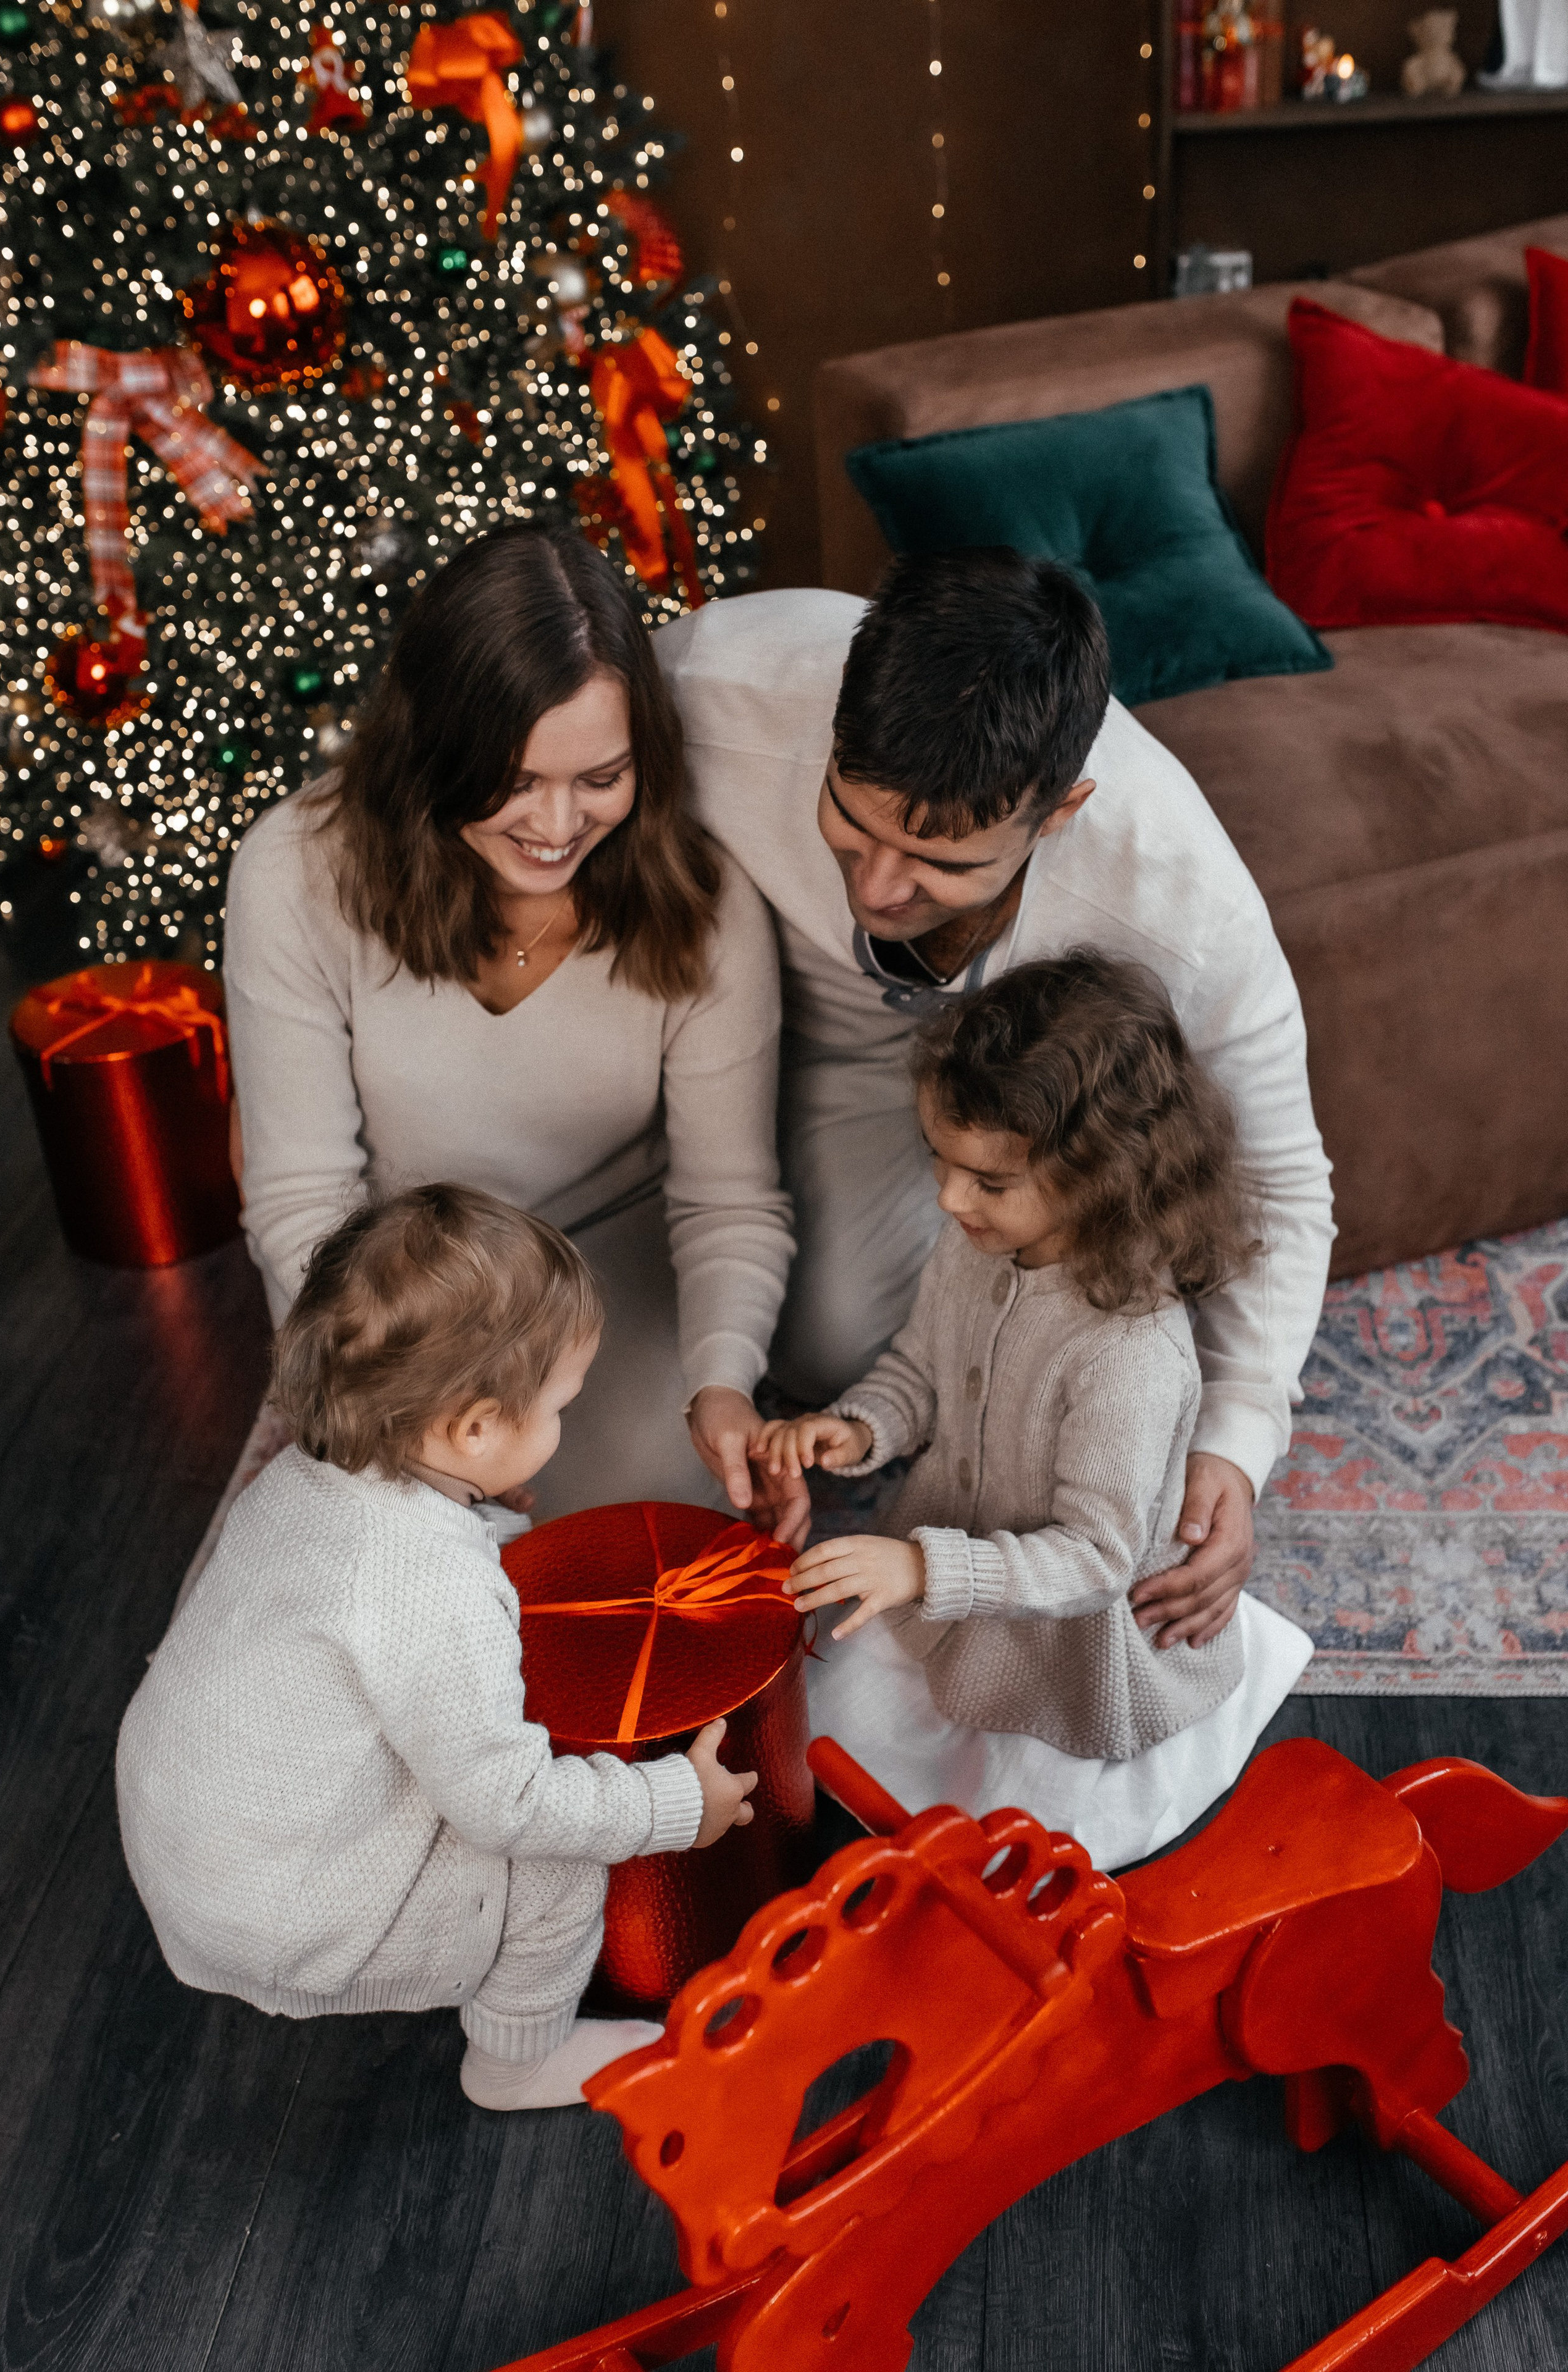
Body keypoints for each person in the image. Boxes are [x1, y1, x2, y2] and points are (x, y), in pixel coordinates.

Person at [654, 549, 1335, 1642]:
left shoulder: (1182, 900)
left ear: (1061, 810)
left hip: (1023, 1108)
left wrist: (1236, 1439)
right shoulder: (709, 680)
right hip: (800, 1045)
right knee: (821, 1341)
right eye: (853, 822)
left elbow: (1285, 1177)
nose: (877, 891)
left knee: (863, 1337)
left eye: (937, 861)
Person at [116, 1185, 758, 2111]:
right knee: (556, 1859)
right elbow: (511, 1807)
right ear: (471, 1430)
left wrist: (482, 1518)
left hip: (195, 1831)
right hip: (280, 1907)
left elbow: (376, 1592)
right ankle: (516, 2061)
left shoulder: (305, 1471)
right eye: (560, 1407)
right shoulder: (428, 1587)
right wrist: (670, 1803)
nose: (565, 1425)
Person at [224, 522, 802, 1531]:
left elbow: (727, 1202)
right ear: (433, 748)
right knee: (401, 1537)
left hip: (604, 1271)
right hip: (389, 1290)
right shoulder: (292, 868)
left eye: (600, 778)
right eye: (513, 781)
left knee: (660, 1515)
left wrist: (722, 1386)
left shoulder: (707, 901)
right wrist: (413, 1398)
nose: (555, 825)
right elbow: (302, 1199)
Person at [757, 957, 1313, 1870]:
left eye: (986, 1180)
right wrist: (862, 1426)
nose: (947, 1197)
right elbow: (922, 1368)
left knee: (1003, 1847)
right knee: (834, 1726)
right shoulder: (976, 1245)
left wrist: (918, 1565)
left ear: (1100, 1176)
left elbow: (1095, 1558)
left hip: (1067, 1640)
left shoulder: (1127, 1349)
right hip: (966, 1574)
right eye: (939, 1158)